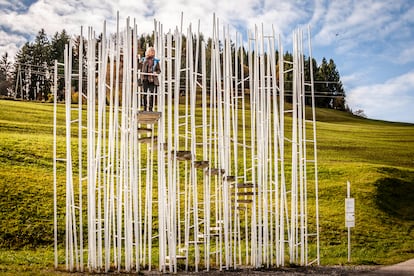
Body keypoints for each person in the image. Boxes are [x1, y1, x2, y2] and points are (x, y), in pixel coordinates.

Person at [139, 46, 161, 111]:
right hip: (145, 79)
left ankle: (151, 108)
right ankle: (145, 108)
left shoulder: (156, 61)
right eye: (150, 51)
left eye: (153, 51)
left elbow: (159, 70)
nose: (152, 53)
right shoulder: (143, 60)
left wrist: (155, 72)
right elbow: (139, 67)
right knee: (144, 94)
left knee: (152, 94)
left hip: (152, 79)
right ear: (147, 52)